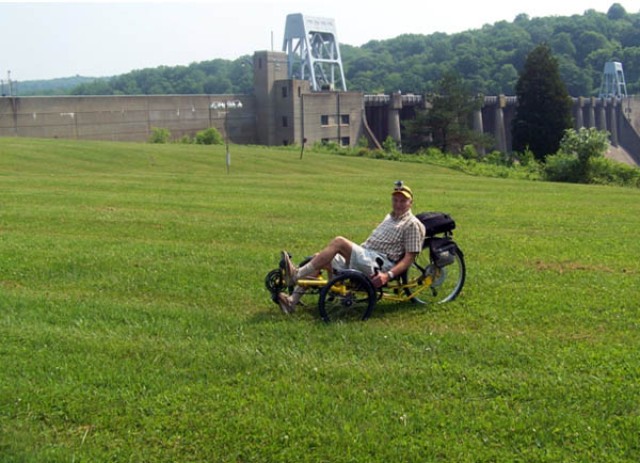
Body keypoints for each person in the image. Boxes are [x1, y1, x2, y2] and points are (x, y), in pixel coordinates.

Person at [277, 181, 426, 314]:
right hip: (368, 255)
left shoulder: (412, 224)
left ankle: (295, 276)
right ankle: (292, 302)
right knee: (320, 258)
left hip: (379, 265)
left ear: (411, 202)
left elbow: (408, 259)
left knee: (339, 242)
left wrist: (388, 276)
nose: (398, 204)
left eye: (403, 201)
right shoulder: (391, 217)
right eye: (395, 200)